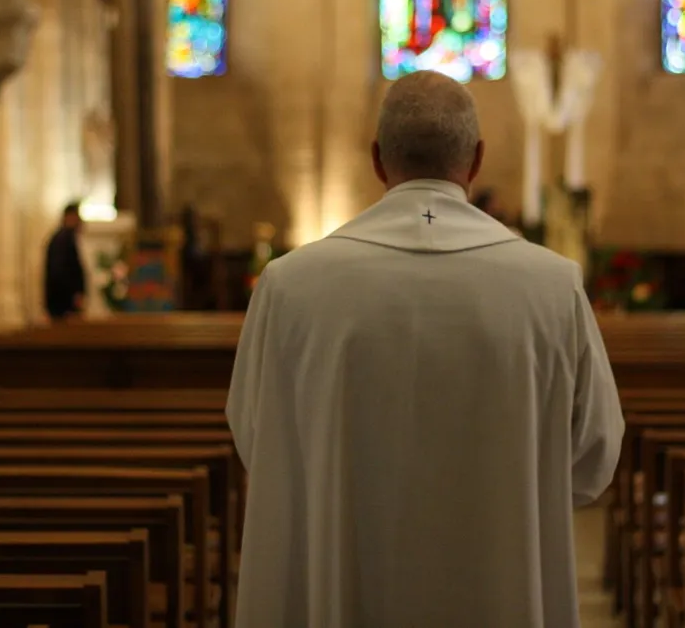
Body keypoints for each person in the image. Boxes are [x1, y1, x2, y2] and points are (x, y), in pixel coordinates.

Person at [227, 70, 624, 627]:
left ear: (376, 160)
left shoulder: (290, 285)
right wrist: (513, 483)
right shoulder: (552, 285)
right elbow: (595, 453)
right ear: (478, 159)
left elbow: (259, 434)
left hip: (346, 570)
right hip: (500, 576)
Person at [43, 202, 86, 321]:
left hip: (61, 303)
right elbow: (60, 272)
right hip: (63, 305)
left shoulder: (64, 238)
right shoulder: (63, 239)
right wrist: (73, 296)